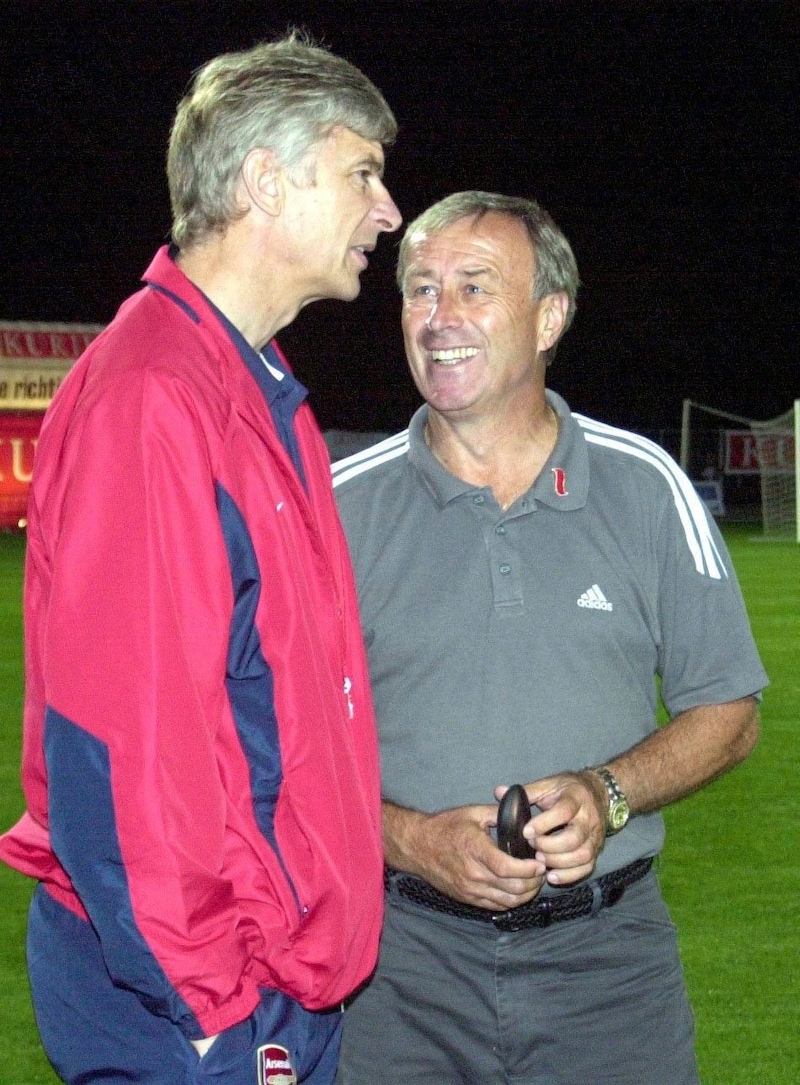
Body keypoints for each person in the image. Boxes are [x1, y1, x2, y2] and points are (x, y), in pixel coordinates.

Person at [0, 32, 401, 1085]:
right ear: (266, 182)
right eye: (361, 171)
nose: (386, 210)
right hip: (195, 1004)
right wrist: (214, 1009)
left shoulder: (255, 388)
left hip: (271, 981)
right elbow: (121, 747)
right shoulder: (156, 395)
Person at [331, 191, 766, 1085]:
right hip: (397, 974)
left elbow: (728, 709)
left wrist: (607, 791)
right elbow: (267, 750)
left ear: (549, 316)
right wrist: (410, 840)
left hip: (610, 974)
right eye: (419, 289)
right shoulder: (335, 508)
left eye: (475, 287)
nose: (439, 317)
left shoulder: (647, 486)